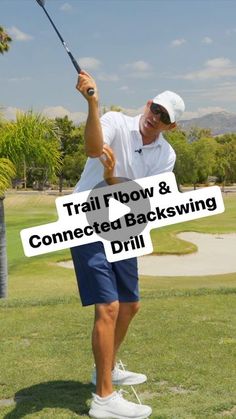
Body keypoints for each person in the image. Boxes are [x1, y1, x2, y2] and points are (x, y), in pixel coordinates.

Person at [71, 71, 185, 419]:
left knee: (130, 305)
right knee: (108, 306)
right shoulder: (116, 122)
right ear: (148, 104)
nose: (156, 118)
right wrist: (92, 102)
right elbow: (93, 148)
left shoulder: (166, 156)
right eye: (156, 109)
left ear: (171, 127)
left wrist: (113, 178)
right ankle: (104, 398)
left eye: (165, 118)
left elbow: (142, 199)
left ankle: (104, 370)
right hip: (87, 220)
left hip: (123, 226)